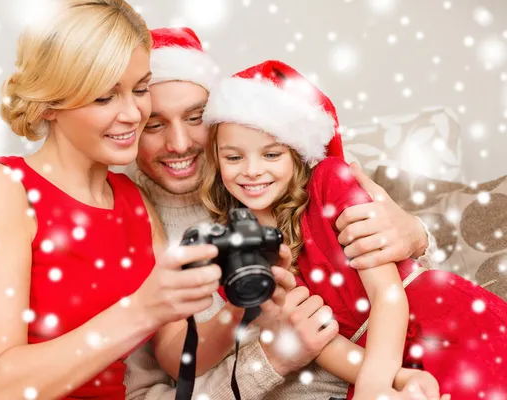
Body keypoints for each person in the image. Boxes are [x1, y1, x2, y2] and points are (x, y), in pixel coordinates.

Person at [0, 2, 282, 398]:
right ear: (49, 104)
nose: (133, 114)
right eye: (105, 98)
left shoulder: (133, 203)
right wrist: (142, 310)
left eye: (140, 90)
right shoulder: (0, 187)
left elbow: (176, 353)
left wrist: (244, 304)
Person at [124, 27, 445, 400]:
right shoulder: (131, 220)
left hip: (389, 363)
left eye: (195, 117)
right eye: (154, 124)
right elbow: (156, 386)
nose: (178, 144)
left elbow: (393, 277)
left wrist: (417, 235)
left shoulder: (287, 169)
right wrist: (273, 358)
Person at [200, 59, 507, 399]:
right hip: (378, 360)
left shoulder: (330, 182)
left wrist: (374, 384)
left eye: (271, 155)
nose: (252, 171)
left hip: (441, 319)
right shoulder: (239, 251)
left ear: (297, 154)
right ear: (215, 159)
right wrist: (394, 381)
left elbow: (387, 294)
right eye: (233, 158)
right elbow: (320, 341)